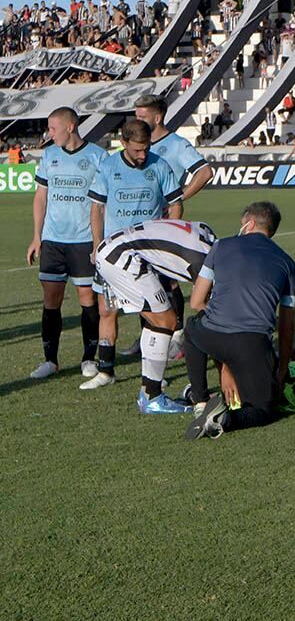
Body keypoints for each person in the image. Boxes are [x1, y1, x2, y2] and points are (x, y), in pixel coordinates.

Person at [82, 118, 183, 390]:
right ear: (123, 142)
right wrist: (97, 245)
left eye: (146, 148)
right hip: (114, 254)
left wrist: (168, 237)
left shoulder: (159, 165)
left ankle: (152, 374)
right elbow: (97, 208)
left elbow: (175, 203)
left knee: (153, 313)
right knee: (107, 310)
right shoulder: (108, 167)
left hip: (150, 253)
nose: (142, 155)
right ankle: (106, 371)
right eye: (137, 149)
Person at [184, 202, 295, 439]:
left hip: (212, 335)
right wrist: (281, 370)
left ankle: (200, 401)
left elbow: (196, 302)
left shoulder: (221, 246)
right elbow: (286, 327)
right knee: (262, 411)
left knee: (192, 329)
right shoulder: (287, 263)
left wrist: (224, 359)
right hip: (253, 344)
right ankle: (225, 420)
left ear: (250, 224)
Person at [95, 219, 217, 413]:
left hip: (116, 248)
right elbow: (202, 305)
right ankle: (151, 397)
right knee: (165, 321)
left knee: (159, 321)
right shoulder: (202, 262)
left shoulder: (208, 235)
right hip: (121, 256)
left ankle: (149, 393)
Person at [26, 106, 107, 380]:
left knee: (88, 299)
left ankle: (89, 358)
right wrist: (37, 236)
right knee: (51, 300)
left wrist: (98, 241)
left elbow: (104, 202)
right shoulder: (49, 155)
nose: (49, 133)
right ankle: (50, 360)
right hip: (53, 241)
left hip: (83, 240)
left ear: (70, 127)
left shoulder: (97, 156)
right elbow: (41, 197)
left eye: (53, 128)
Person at [131, 95, 213, 359]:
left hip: (164, 224)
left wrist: (178, 198)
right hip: (139, 222)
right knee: (144, 279)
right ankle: (149, 334)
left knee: (168, 281)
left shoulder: (176, 145)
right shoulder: (138, 145)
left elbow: (205, 172)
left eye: (142, 116)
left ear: (157, 118)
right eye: (136, 115)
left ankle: (176, 335)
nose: (137, 120)